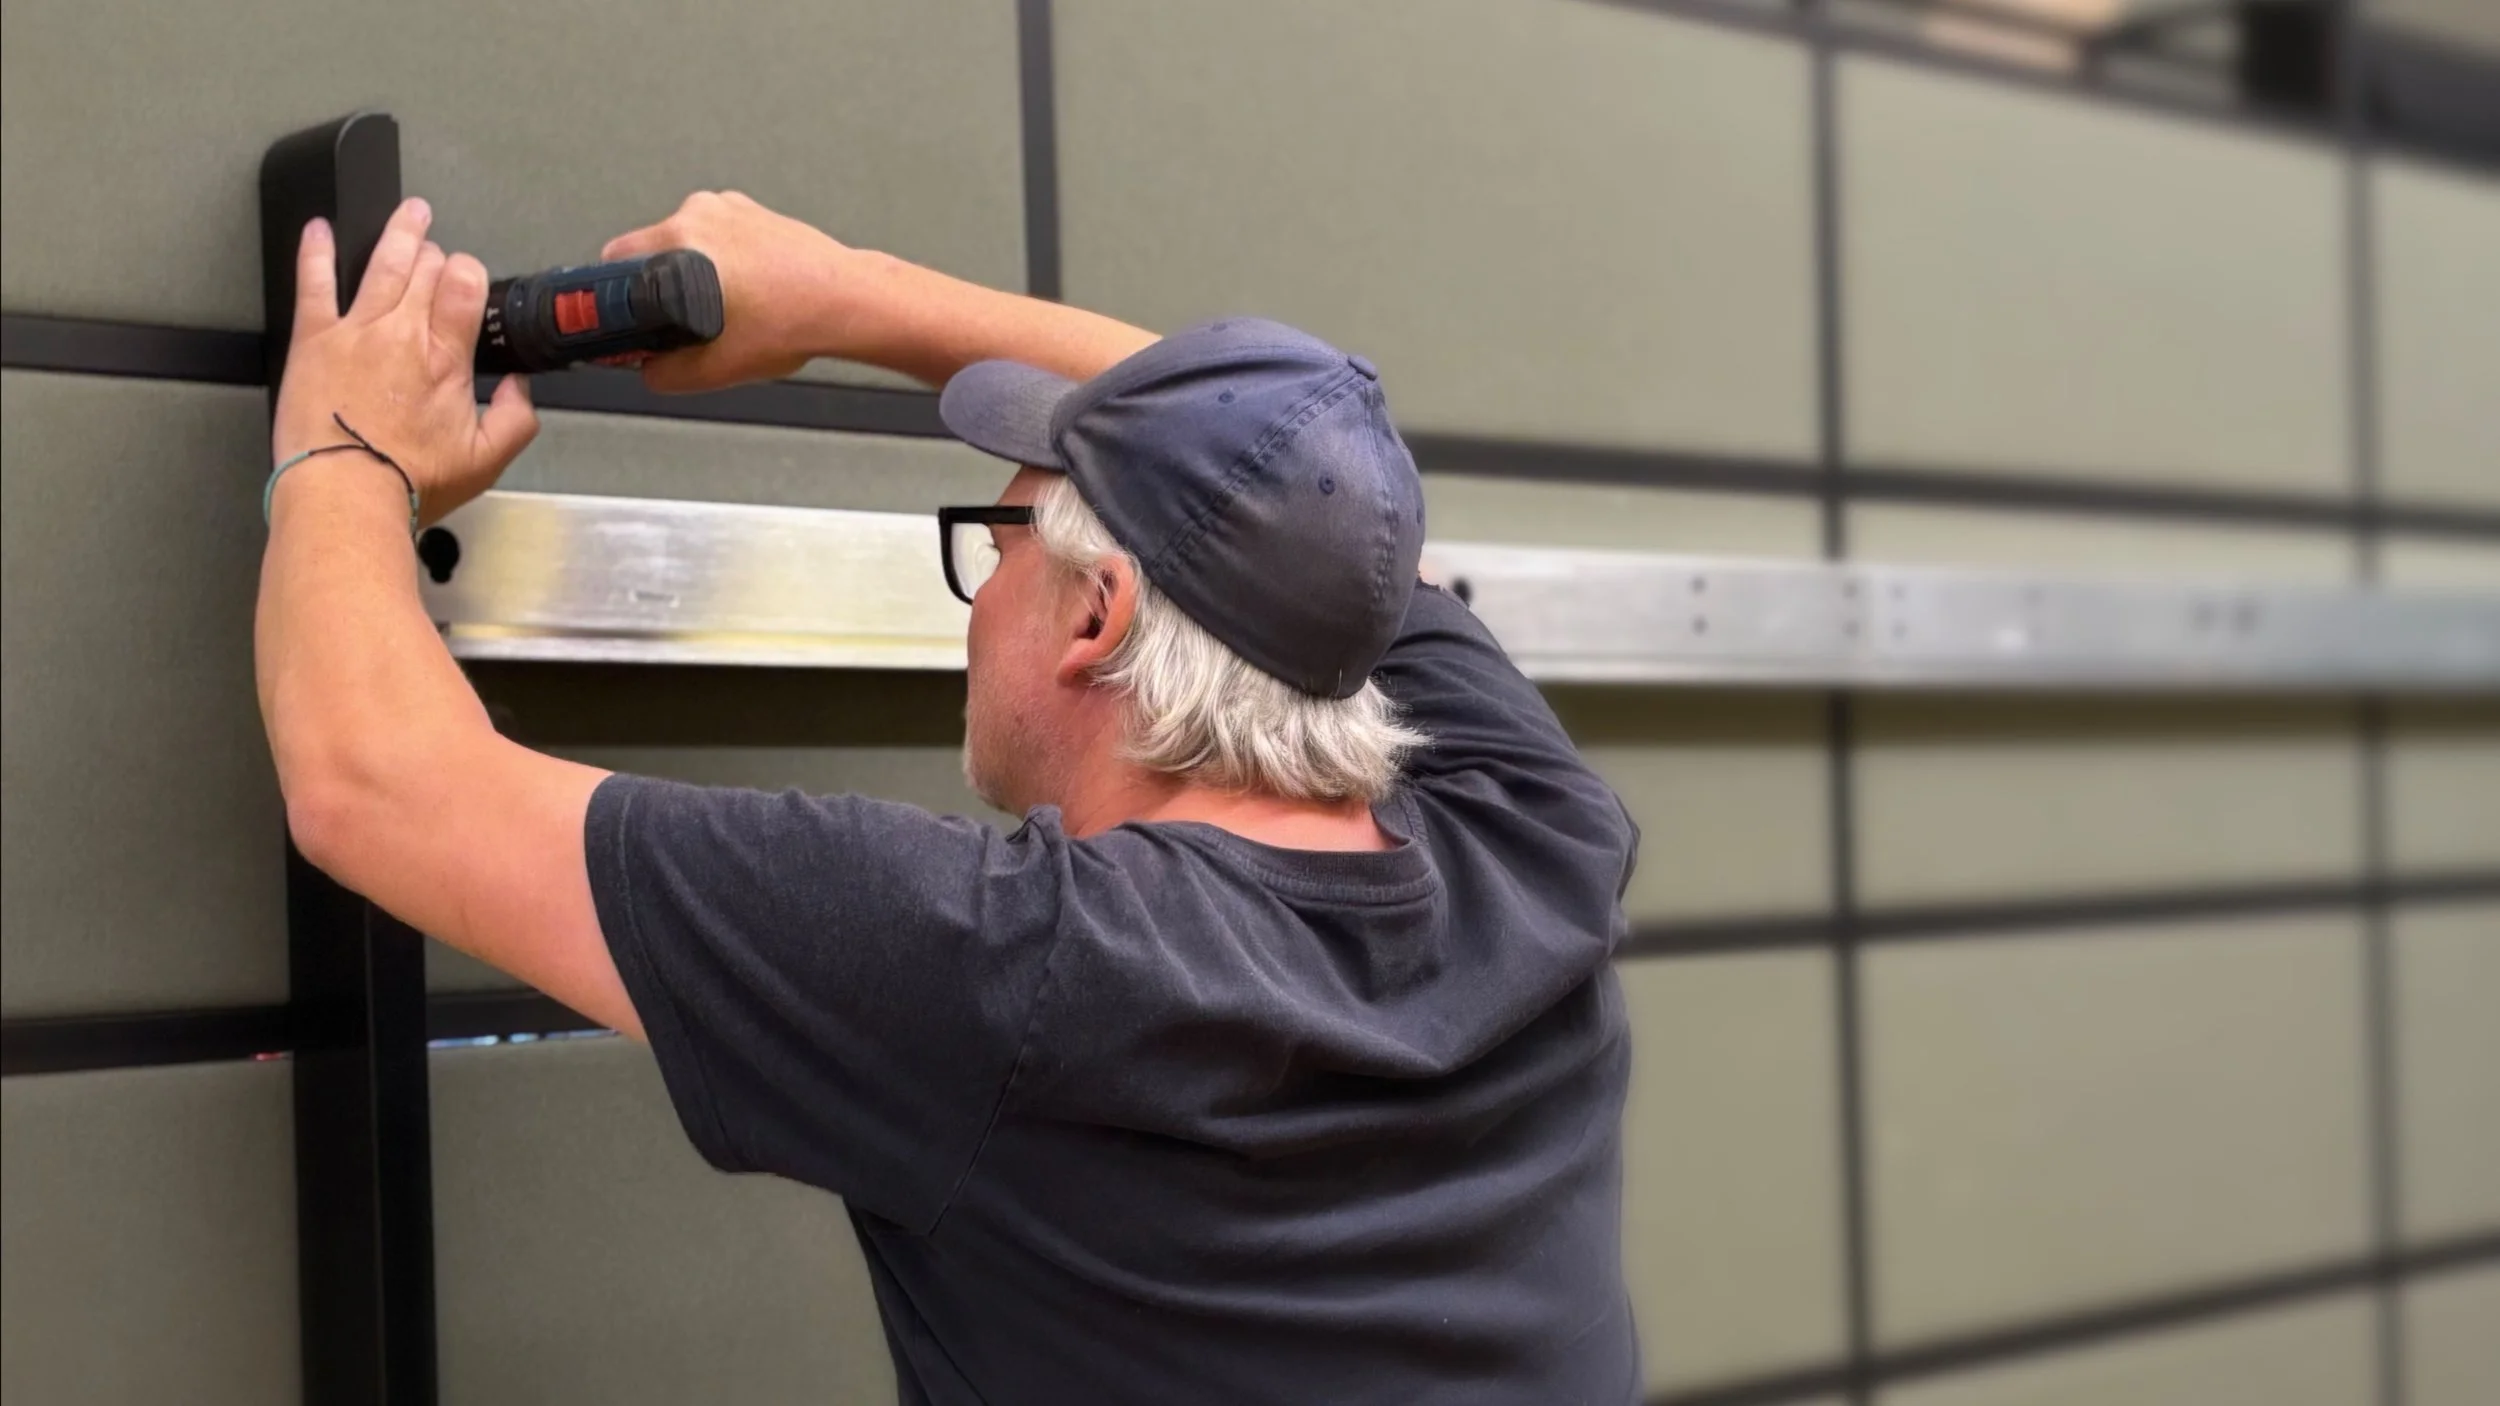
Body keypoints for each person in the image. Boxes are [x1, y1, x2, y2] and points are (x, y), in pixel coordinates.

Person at [260, 190, 1644, 1404]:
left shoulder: (1022, 971)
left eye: (998, 541)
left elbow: (374, 784)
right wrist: (828, 292)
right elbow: (1304, 482)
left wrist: (344, 453)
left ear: (1095, 614)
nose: (980, 606)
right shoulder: (1528, 831)